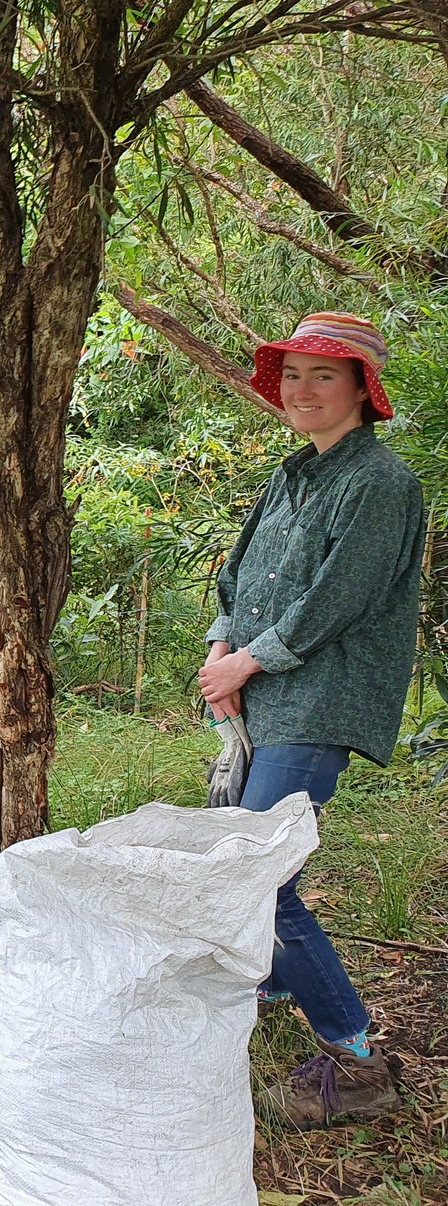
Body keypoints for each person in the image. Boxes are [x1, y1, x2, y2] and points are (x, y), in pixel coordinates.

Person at [198, 312, 424, 1128]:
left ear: (362, 388)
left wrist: (246, 663)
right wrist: (222, 651)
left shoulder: (381, 484)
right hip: (258, 693)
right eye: (291, 375)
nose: (301, 390)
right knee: (236, 855)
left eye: (323, 375)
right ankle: (267, 983)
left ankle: (356, 1060)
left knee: (260, 876)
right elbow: (238, 575)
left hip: (320, 699)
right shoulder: (291, 475)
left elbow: (338, 599)